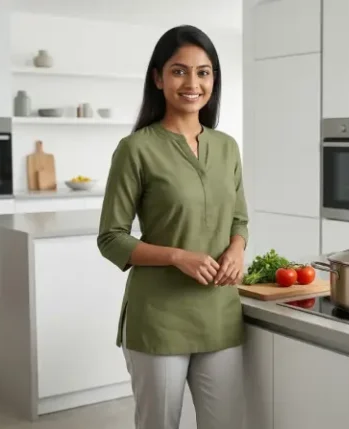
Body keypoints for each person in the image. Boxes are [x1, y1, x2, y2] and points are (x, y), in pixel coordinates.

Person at [96, 25, 248, 429]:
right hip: (159, 318)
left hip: (219, 313)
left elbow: (239, 218)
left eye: (204, 72)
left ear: (214, 80)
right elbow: (111, 237)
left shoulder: (227, 147)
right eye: (179, 71)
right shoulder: (136, 149)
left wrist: (236, 249)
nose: (193, 83)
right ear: (158, 77)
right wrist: (177, 257)